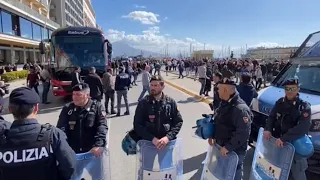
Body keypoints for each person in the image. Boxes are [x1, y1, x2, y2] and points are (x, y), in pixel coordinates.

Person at [0, 87, 76, 180]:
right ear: (36, 107)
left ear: (10, 109)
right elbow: (70, 166)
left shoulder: (2, 138)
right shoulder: (52, 135)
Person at [263, 78, 311, 180]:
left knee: (298, 173)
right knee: (276, 171)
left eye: (293, 89)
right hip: (278, 144)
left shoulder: (303, 107)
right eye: (287, 88)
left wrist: (284, 138)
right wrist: (268, 129)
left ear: (298, 90)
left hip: (295, 146)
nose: (290, 91)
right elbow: (271, 117)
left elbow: (303, 127)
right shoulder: (280, 103)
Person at [208, 78, 252, 180]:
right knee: (223, 172)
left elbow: (243, 133)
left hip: (234, 151)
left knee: (234, 174)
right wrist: (212, 135)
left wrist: (228, 147)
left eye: (218, 89)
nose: (217, 91)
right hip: (222, 147)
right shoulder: (224, 103)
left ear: (225, 90)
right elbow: (219, 121)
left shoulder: (240, 109)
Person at [134, 75, 183, 148]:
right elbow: (137, 124)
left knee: (166, 160)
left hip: (166, 144)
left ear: (162, 87)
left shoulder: (170, 102)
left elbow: (178, 122)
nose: (153, 88)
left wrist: (168, 137)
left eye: (156, 85)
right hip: (148, 144)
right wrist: (152, 139)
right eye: (151, 85)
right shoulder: (143, 103)